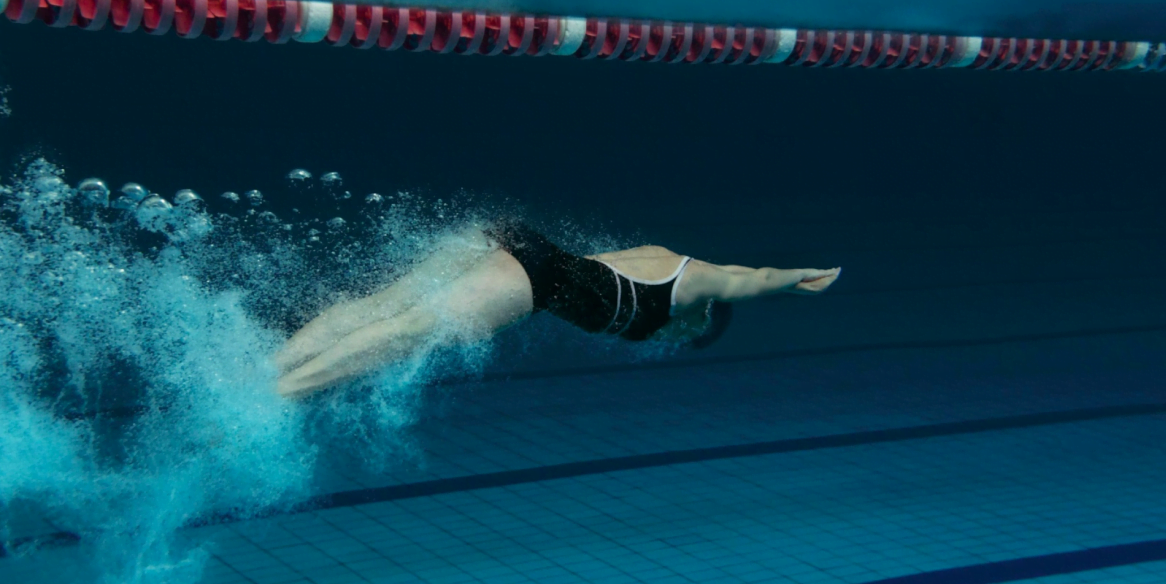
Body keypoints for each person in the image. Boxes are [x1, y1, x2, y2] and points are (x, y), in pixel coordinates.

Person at [273, 221, 840, 397]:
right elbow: (751, 279)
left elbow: (738, 273)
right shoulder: (689, 288)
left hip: (511, 244)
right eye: (685, 338)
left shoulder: (669, 260)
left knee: (381, 309)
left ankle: (272, 366)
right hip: (529, 276)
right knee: (407, 332)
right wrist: (799, 281)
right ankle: (280, 394)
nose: (672, 341)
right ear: (700, 319)